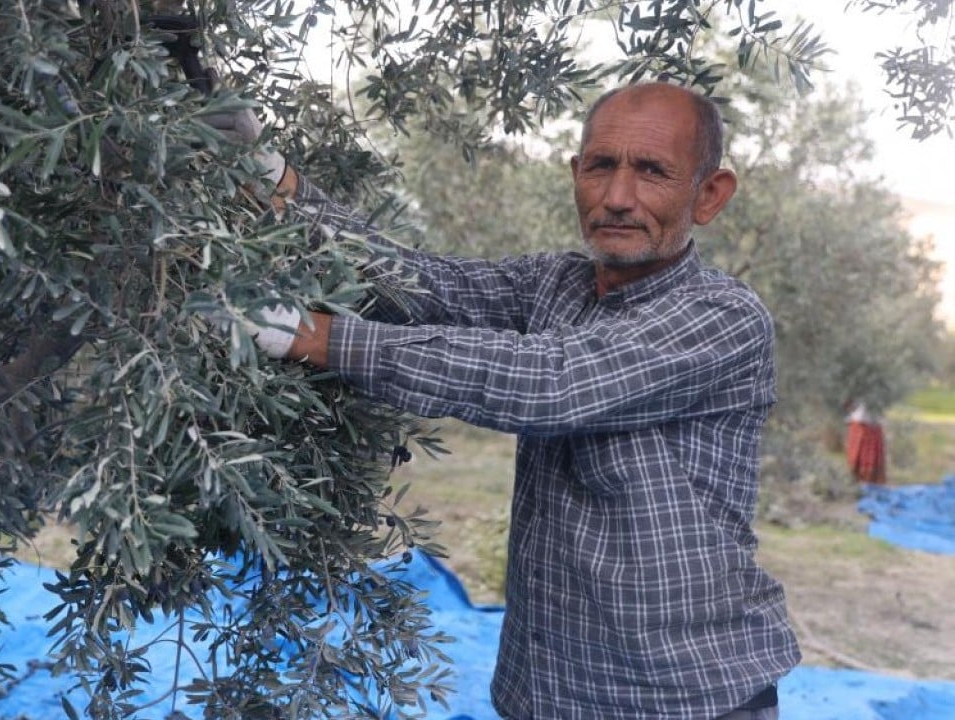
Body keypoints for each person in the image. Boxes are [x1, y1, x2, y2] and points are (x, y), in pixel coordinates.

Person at [211, 81, 801, 719]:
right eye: (601, 166)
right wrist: (275, 183)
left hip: (685, 700)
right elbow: (420, 284)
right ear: (576, 174)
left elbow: (551, 383)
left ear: (709, 195)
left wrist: (307, 336)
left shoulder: (723, 317)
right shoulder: (555, 285)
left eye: (653, 171)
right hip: (544, 693)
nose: (617, 197)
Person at [845, 401, 887, 484]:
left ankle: (870, 488)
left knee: (871, 465)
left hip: (871, 426)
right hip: (858, 424)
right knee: (855, 462)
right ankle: (854, 487)